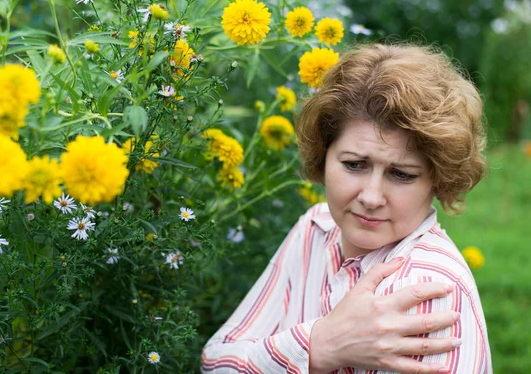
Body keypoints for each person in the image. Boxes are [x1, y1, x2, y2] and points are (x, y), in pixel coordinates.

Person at [201, 43, 491, 373]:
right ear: (323, 155)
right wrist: (317, 347)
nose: (371, 196)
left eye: (401, 174)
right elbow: (216, 361)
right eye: (354, 165)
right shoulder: (316, 228)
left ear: (437, 180)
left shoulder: (427, 290)